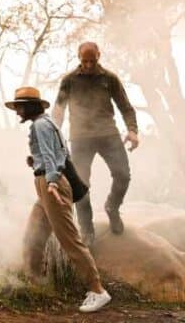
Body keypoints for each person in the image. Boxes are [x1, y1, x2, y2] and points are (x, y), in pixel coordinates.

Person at [9, 86, 111, 314]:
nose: (17, 111)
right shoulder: (48, 123)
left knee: (69, 240)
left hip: (51, 185)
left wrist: (53, 180)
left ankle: (98, 290)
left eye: (20, 106)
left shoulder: (39, 125)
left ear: (31, 106)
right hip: (46, 182)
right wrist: (35, 161)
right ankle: (36, 284)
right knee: (33, 236)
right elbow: (58, 153)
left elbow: (51, 156)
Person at [52, 42, 139, 245]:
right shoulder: (69, 80)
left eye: (93, 60)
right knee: (80, 185)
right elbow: (58, 109)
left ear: (99, 55)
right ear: (79, 58)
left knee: (123, 174)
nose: (89, 64)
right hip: (81, 137)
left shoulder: (110, 79)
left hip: (108, 134)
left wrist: (133, 131)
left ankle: (112, 207)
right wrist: (54, 136)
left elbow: (126, 107)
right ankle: (87, 231)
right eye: (85, 61)